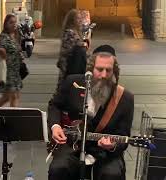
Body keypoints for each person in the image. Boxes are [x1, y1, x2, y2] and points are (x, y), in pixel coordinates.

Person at [47, 45, 134, 180]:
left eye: (108, 70)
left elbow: (124, 136)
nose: (104, 75)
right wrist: (55, 126)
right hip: (72, 145)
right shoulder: (73, 82)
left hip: (104, 153)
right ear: (91, 69)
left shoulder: (125, 98)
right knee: (59, 169)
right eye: (99, 69)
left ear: (114, 71)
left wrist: (112, 145)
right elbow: (55, 105)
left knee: (112, 174)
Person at [55, 9, 89, 96]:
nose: (80, 20)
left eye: (80, 18)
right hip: (70, 68)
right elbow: (65, 53)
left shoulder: (77, 32)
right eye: (77, 18)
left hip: (75, 67)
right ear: (72, 20)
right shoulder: (70, 33)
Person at [0, 14, 24, 107]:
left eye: (15, 22)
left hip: (16, 72)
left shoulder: (16, 35)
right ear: (6, 24)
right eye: (11, 22)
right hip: (8, 72)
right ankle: (13, 116)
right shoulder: (4, 36)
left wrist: (20, 56)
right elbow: (0, 49)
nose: (14, 24)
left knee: (9, 96)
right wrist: (6, 57)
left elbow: (18, 49)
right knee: (13, 96)